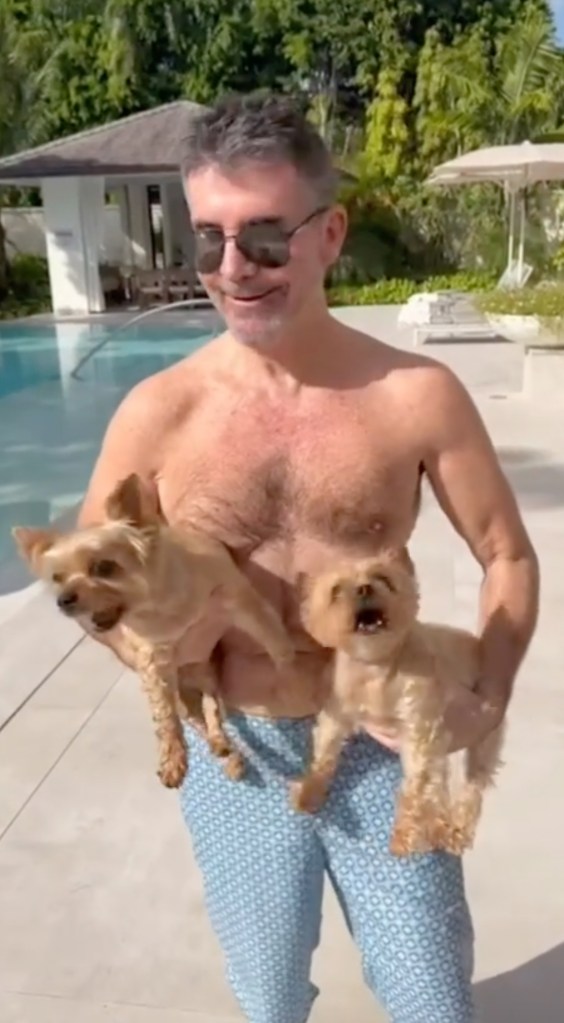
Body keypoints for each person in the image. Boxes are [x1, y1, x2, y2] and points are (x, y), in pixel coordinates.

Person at [78, 94, 539, 1023]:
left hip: (380, 740)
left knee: (431, 998)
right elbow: (94, 590)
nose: (233, 268)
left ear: (329, 235)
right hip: (238, 758)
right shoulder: (158, 413)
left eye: (265, 238)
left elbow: (506, 555)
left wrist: (482, 692)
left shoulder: (415, 396)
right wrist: (152, 651)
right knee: (271, 992)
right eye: (208, 239)